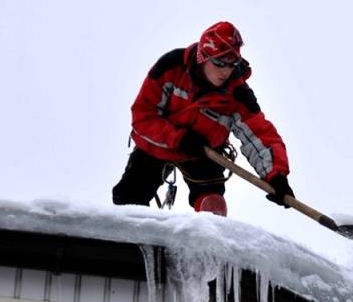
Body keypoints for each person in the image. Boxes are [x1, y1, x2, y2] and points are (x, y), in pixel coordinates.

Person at [112, 21, 294, 216]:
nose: (226, 71)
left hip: (204, 153)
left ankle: (204, 242)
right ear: (203, 57)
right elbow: (143, 116)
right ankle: (130, 240)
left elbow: (261, 134)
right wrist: (179, 139)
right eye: (219, 63)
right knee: (128, 199)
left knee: (213, 206)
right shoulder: (170, 67)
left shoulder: (238, 95)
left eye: (232, 64)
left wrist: (276, 176)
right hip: (158, 143)